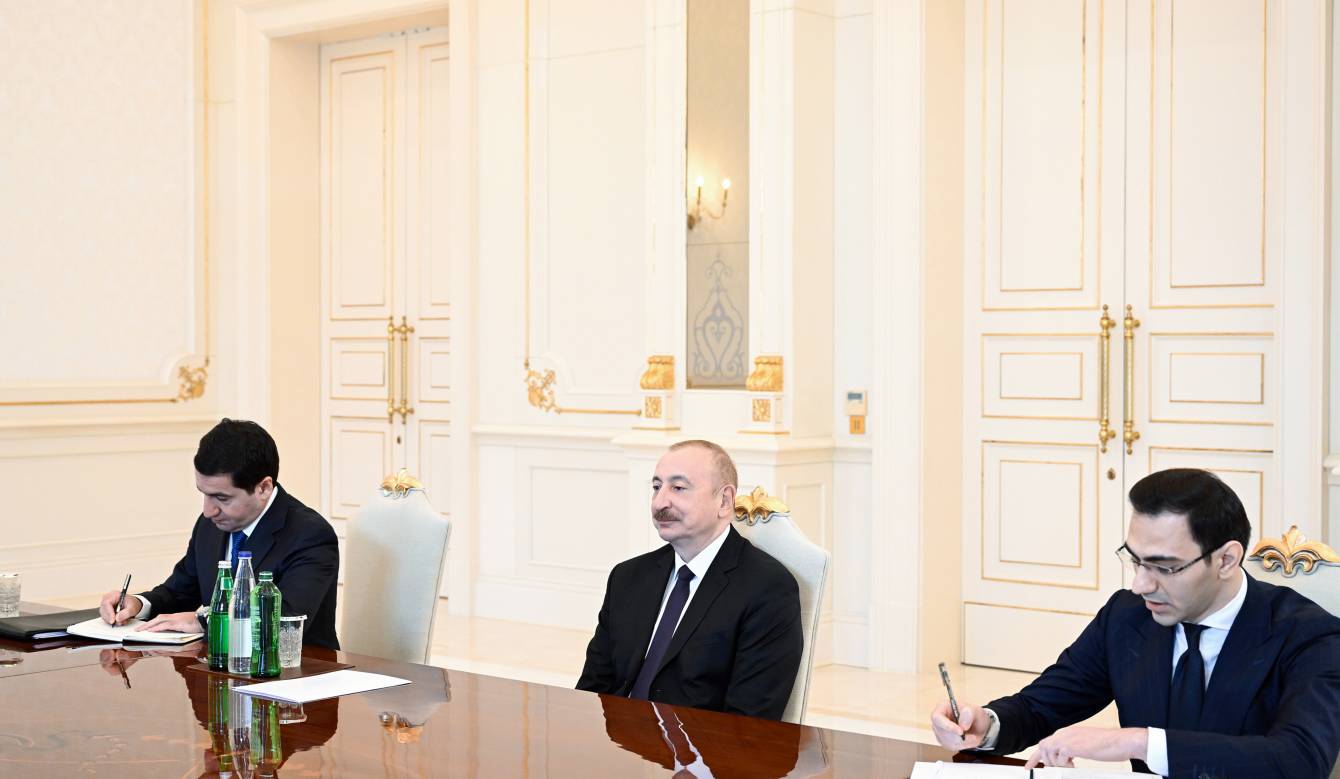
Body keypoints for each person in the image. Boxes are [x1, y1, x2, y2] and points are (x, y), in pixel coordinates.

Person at [930, 468, 1340, 778]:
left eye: (1165, 567)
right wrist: (986, 725)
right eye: (1136, 560)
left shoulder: (1311, 635)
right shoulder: (1126, 616)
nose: (1140, 584)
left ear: (1226, 560)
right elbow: (1040, 706)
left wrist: (1139, 742)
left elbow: (1301, 759)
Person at [576, 439, 803, 721]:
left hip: (701, 747)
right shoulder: (627, 577)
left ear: (724, 501)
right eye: (656, 487)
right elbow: (592, 689)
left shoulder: (767, 589)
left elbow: (749, 722)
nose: (660, 502)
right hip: (618, 741)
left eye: (678, 488)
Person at [97, 418, 340, 649]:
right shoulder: (211, 524)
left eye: (222, 498)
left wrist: (204, 621)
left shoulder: (309, 535)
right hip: (216, 667)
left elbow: (286, 621)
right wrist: (138, 604)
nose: (208, 510)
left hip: (297, 671)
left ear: (264, 488)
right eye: (204, 494)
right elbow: (180, 592)